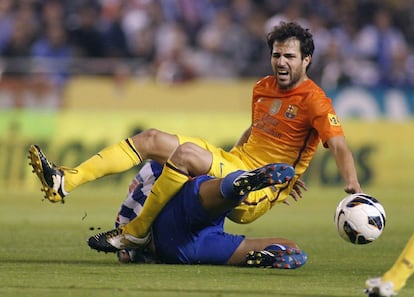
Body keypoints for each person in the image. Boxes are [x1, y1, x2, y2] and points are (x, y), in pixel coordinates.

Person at [28, 21, 362, 250]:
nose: (281, 62)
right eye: (276, 55)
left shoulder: (315, 100)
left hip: (255, 191)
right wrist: (229, 156)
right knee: (152, 139)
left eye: (289, 56)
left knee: (186, 153)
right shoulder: (263, 88)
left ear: (307, 59)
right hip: (236, 162)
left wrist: (353, 186)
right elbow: (256, 129)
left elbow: (339, 145)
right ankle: (64, 181)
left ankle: (136, 232)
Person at [88, 160, 308, 268]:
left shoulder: (144, 178)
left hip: (180, 248)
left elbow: (125, 253)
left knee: (291, 249)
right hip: (180, 216)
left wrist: (129, 253)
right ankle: (240, 182)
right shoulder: (160, 165)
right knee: (211, 191)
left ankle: (267, 256)